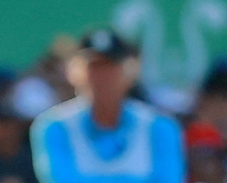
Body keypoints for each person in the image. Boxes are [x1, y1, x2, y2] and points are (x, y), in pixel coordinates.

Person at [31, 29, 184, 183]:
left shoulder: (160, 126)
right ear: (75, 73)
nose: (102, 77)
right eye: (94, 67)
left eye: (110, 67)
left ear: (129, 72)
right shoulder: (54, 126)